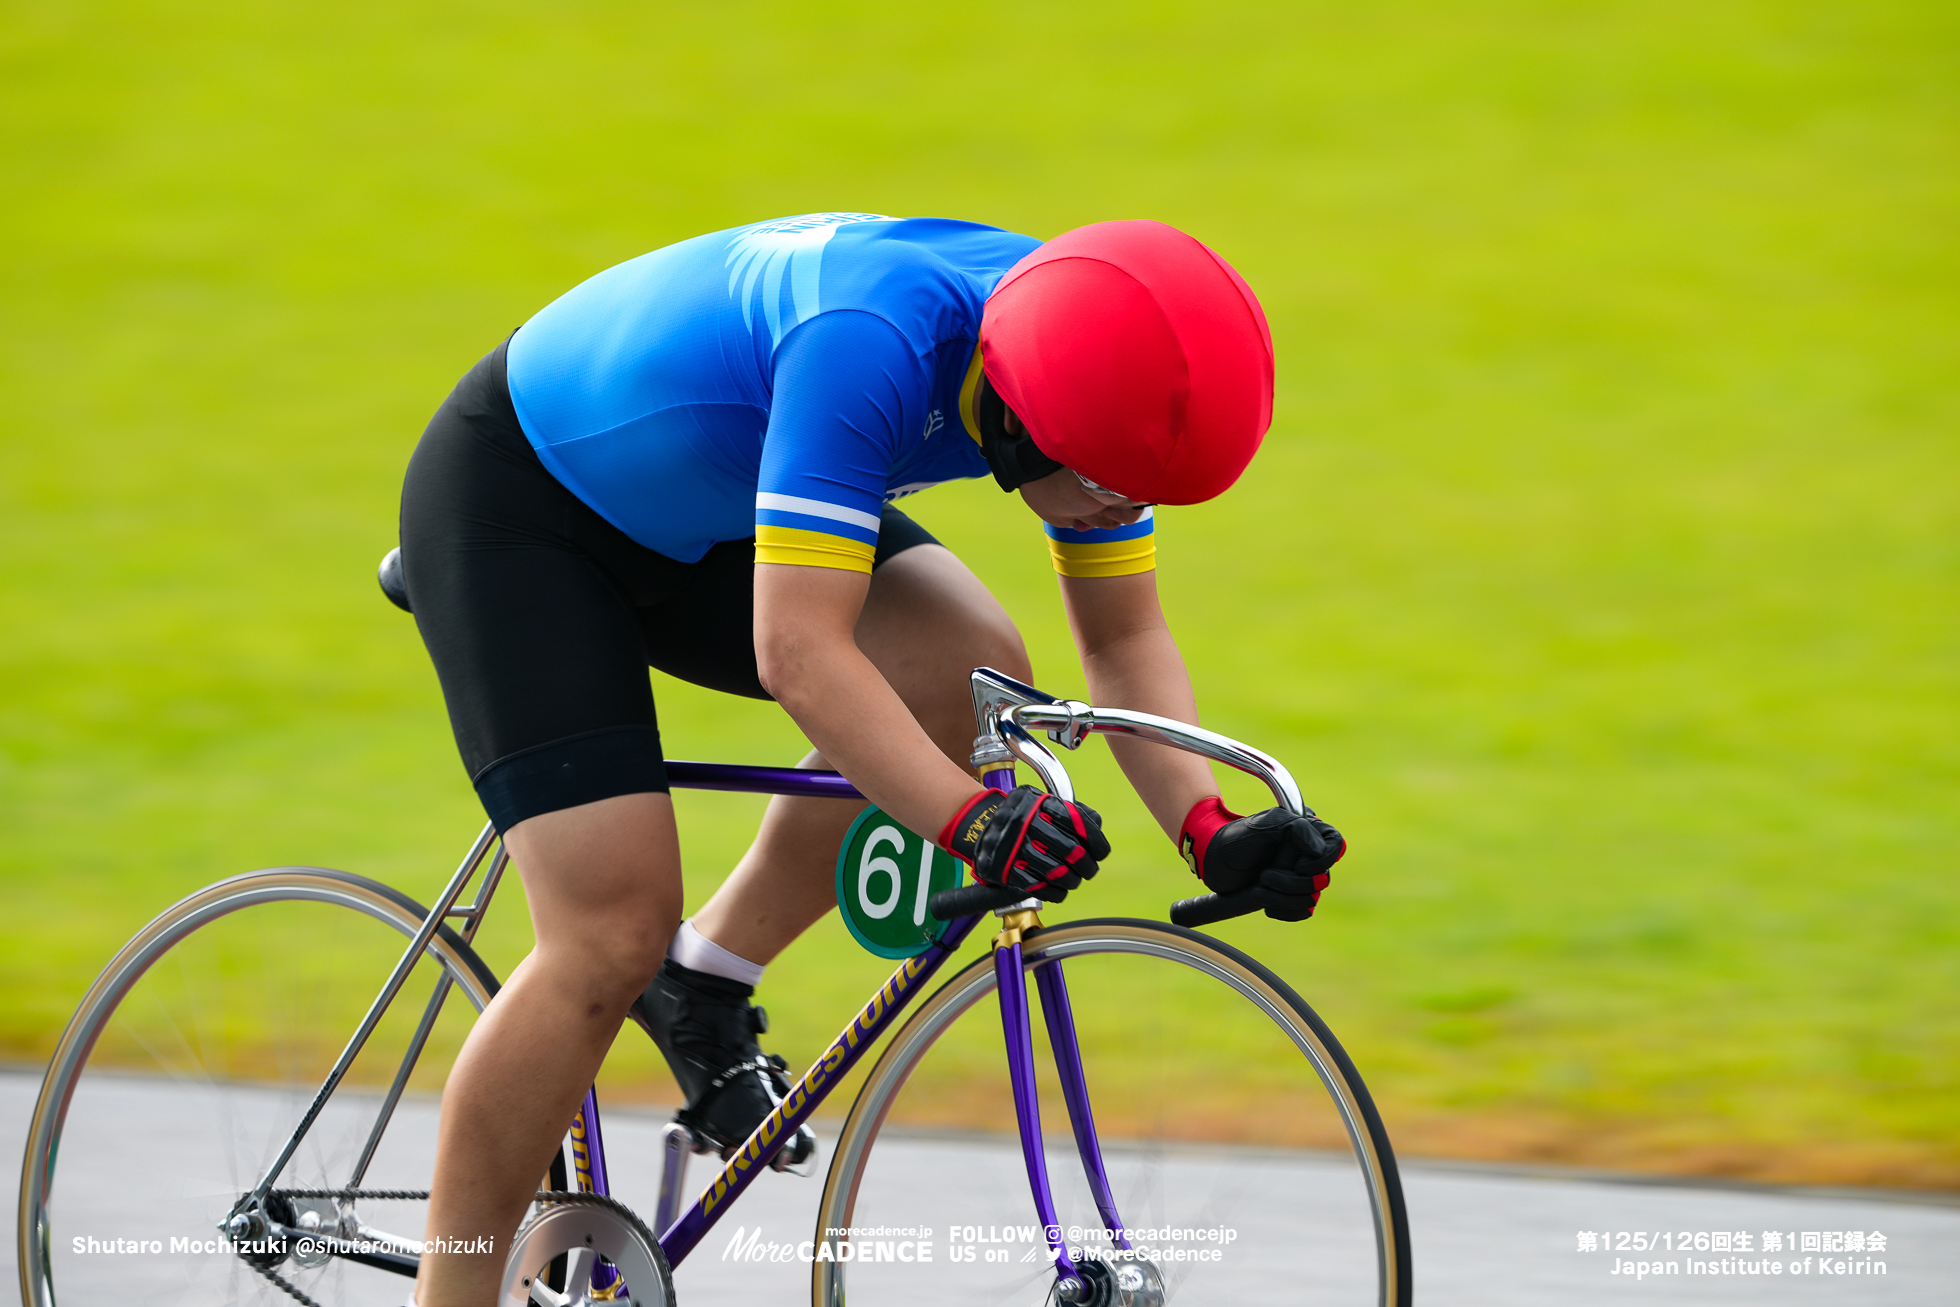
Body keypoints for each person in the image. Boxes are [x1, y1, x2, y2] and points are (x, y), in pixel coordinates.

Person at [395, 212, 1346, 1306]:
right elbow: (797, 649)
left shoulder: (1082, 339)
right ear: (1028, 415)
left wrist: (1208, 829)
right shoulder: (875, 344)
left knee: (972, 672)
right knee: (604, 929)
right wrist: (969, 818)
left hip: (712, 497)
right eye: (1110, 481)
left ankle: (703, 976)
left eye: (1146, 492)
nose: (1121, 507)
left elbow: (1122, 641)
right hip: (528, 512)